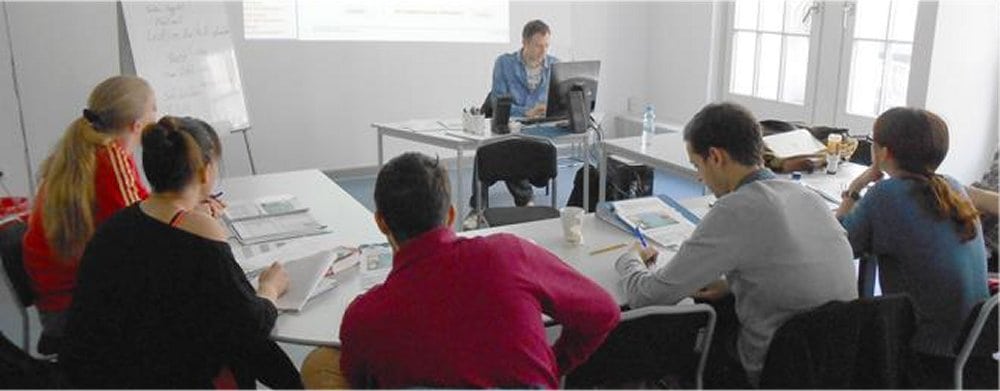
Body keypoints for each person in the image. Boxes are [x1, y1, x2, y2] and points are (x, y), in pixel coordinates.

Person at [302, 152, 619, 388]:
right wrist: (553, 364)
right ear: (451, 214)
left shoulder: (364, 317)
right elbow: (603, 311)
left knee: (319, 364)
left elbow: (360, 376)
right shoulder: (508, 253)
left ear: (381, 222)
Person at [614, 102, 857, 386]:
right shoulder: (806, 196)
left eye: (697, 165)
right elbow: (797, 270)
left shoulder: (736, 209)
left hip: (777, 368)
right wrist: (733, 284)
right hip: (836, 365)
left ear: (715, 157)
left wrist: (629, 258)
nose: (698, 176)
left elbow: (647, 296)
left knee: (671, 336)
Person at [60, 116, 301, 388]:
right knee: (253, 348)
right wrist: (269, 288)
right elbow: (251, 324)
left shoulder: (117, 224)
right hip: (166, 376)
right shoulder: (201, 232)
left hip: (96, 375)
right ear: (204, 172)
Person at [836, 107, 988, 388]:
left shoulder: (886, 195)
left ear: (884, 152)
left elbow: (837, 247)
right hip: (976, 346)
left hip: (929, 353)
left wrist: (856, 188)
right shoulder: (953, 186)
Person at [21, 75, 158, 349]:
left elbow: (142, 206)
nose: (159, 113)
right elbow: (146, 229)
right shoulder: (110, 158)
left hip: (59, 299)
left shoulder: (88, 147)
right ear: (138, 125)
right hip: (73, 309)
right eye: (154, 107)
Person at [467, 20, 560, 224]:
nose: (543, 51)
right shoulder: (504, 63)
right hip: (508, 124)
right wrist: (527, 112)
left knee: (513, 147)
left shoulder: (554, 65)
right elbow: (498, 100)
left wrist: (549, 111)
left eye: (547, 45)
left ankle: (522, 199)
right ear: (524, 42)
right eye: (538, 45)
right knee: (506, 145)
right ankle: (484, 207)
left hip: (539, 128)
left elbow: (558, 101)